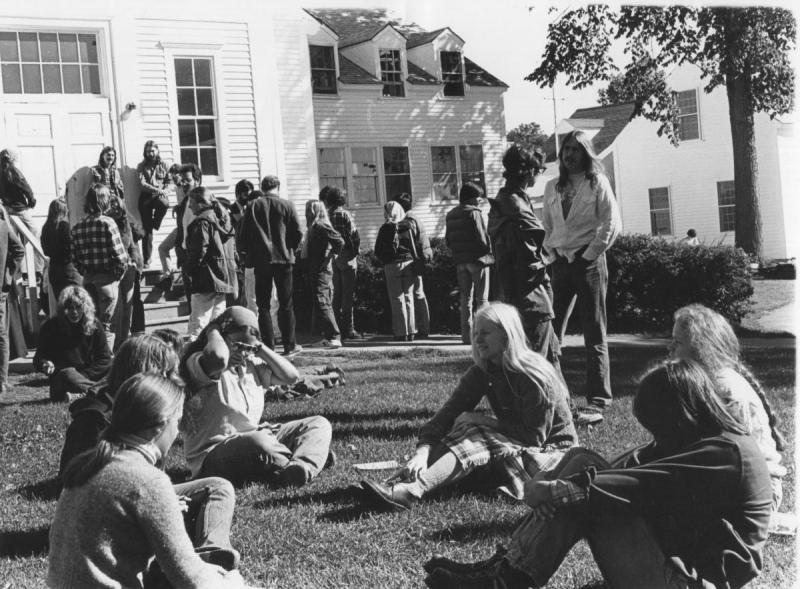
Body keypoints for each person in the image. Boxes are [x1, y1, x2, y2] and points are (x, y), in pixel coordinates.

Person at [424, 359, 771, 589]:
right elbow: (631, 464)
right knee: (580, 462)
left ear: (678, 414)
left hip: (686, 582)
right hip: (678, 570)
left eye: (658, 426)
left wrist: (555, 490)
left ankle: (505, 577)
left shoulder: (725, 451)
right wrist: (554, 483)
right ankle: (504, 569)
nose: (656, 437)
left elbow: (637, 484)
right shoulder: (702, 438)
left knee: (586, 485)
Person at [361, 302, 577, 510]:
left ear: (507, 335)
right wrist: (422, 452)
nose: (478, 339)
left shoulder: (533, 376)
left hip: (553, 460)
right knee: (462, 426)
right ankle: (397, 487)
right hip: (517, 453)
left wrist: (482, 420)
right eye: (475, 333)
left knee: (475, 430)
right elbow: (445, 417)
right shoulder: (483, 372)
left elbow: (533, 437)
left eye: (485, 333)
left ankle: (412, 490)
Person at [49, 374, 248, 588]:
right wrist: (233, 581)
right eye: (178, 421)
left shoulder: (88, 465)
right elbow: (190, 579)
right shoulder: (147, 480)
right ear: (160, 424)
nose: (177, 432)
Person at [180, 306, 334, 487]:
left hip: (258, 437)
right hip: (214, 453)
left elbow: (291, 376)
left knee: (318, 423)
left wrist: (259, 348)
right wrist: (212, 329)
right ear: (221, 337)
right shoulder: (201, 363)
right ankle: (308, 457)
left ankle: (300, 466)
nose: (242, 353)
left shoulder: (251, 365)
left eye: (248, 348)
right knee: (258, 442)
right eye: (237, 345)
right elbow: (219, 358)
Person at [670, 303, 786, 511]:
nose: (670, 349)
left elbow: (725, 460)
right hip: (731, 480)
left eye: (677, 343)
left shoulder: (725, 392)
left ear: (700, 349)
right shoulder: (705, 382)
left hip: (757, 493)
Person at [542, 130, 621, 426]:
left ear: (586, 153)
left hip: (589, 264)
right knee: (550, 333)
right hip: (560, 263)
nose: (570, 155)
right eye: (566, 150)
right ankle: (554, 394)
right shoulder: (552, 186)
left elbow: (611, 223)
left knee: (594, 332)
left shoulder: (596, 182)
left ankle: (598, 399)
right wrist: (552, 255)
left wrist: (589, 255)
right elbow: (547, 227)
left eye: (576, 150)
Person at [489, 146, 561, 373]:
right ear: (528, 171)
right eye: (537, 170)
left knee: (551, 355)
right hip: (530, 299)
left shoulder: (503, 201)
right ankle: (537, 407)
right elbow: (529, 265)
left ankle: (564, 408)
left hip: (514, 294)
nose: (538, 175)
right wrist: (552, 258)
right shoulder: (516, 209)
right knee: (537, 364)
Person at [238, 175, 303, 355]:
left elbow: (243, 236)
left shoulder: (252, 206)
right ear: (278, 187)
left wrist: (248, 255)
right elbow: (297, 232)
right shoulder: (287, 205)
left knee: (263, 305)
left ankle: (268, 345)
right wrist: (290, 249)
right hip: (283, 259)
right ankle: (290, 344)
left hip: (261, 260)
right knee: (286, 303)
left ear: (262, 187)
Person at [71, 183, 129, 350]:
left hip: (88, 279)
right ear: (105, 201)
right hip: (107, 279)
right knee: (107, 327)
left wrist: (86, 271)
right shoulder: (108, 223)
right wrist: (118, 275)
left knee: (89, 324)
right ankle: (105, 364)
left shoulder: (77, 227)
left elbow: (75, 259)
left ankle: (91, 360)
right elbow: (121, 256)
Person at [33, 285, 111, 402]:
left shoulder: (94, 325)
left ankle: (82, 394)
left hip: (87, 376)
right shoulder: (50, 327)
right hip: (63, 380)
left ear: (85, 308)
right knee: (68, 373)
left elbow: (105, 359)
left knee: (115, 367)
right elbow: (38, 358)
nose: (74, 312)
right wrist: (44, 364)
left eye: (78, 307)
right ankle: (103, 393)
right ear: (62, 309)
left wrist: (82, 376)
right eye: (69, 308)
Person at [184, 186, 238, 339]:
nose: (189, 206)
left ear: (201, 204)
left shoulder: (202, 222)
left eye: (191, 202)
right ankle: (216, 351)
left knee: (198, 323)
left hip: (205, 277)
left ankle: (193, 355)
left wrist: (189, 270)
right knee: (216, 322)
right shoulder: (222, 219)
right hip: (222, 277)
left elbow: (199, 250)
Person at [446, 182, 493, 345]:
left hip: (460, 262)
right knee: (482, 300)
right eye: (478, 198)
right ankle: (484, 335)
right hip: (478, 260)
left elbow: (448, 241)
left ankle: (466, 337)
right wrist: (489, 252)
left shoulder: (450, 214)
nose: (480, 201)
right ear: (472, 198)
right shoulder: (475, 213)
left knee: (465, 299)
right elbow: (482, 239)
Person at [374, 201, 417, 341]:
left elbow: (378, 249)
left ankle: (400, 332)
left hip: (392, 264)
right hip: (409, 262)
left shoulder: (385, 227)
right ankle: (411, 331)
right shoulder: (408, 225)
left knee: (397, 299)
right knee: (409, 297)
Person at [304, 200, 344, 349]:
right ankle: (328, 336)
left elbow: (339, 241)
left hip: (322, 269)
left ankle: (334, 335)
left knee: (322, 301)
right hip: (315, 268)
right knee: (322, 300)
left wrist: (329, 257)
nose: (306, 212)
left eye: (309, 209)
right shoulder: (314, 227)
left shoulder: (321, 225)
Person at [392, 192, 432, 338]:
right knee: (418, 294)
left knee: (415, 294)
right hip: (420, 258)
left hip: (413, 260)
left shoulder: (407, 221)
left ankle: (421, 328)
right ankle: (424, 327)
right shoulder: (415, 217)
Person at [325, 186, 362, 339]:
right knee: (348, 294)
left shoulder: (327, 215)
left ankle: (336, 327)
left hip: (333, 256)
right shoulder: (344, 215)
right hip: (346, 255)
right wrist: (355, 253)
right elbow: (353, 235)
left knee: (336, 294)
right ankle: (349, 329)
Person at [41, 198, 82, 314]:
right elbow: (72, 246)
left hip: (54, 269)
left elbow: (45, 251)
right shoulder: (64, 226)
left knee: (63, 305)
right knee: (77, 303)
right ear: (63, 212)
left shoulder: (45, 229)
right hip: (68, 269)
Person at [0, 203, 24, 396]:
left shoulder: (2, 226)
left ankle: (2, 380)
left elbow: (19, 250)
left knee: (1, 335)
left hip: (0, 288)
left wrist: (7, 275)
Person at [137, 140, 171, 268]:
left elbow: (170, 181)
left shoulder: (164, 165)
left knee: (164, 203)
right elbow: (142, 184)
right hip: (146, 197)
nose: (150, 153)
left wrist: (165, 191)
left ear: (157, 151)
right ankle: (147, 260)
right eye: (148, 151)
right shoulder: (141, 166)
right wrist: (158, 190)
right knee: (147, 230)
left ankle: (156, 223)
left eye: (152, 151)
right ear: (145, 152)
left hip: (159, 196)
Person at [157, 163, 184, 277]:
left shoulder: (188, 188)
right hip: (180, 227)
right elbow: (168, 189)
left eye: (175, 176)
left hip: (189, 229)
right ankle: (168, 274)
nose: (174, 179)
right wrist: (161, 191)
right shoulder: (176, 186)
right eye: (172, 177)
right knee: (163, 248)